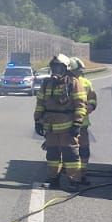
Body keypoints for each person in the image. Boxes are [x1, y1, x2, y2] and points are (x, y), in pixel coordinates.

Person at [34, 53, 86, 189]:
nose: (56, 70)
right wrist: (37, 121)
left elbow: (80, 105)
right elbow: (40, 103)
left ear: (66, 68)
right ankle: (53, 179)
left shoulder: (74, 83)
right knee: (52, 155)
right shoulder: (47, 84)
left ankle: (74, 181)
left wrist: (77, 124)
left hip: (68, 128)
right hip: (50, 127)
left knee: (71, 155)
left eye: (59, 67)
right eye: (54, 67)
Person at [67, 56, 97, 174]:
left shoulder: (86, 83)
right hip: (64, 123)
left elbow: (92, 98)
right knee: (68, 149)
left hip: (82, 124)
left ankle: (82, 171)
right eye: (77, 71)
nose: (79, 73)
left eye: (80, 71)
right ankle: (68, 170)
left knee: (84, 149)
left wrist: (91, 105)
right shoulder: (62, 83)